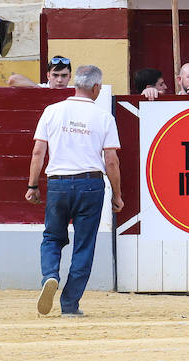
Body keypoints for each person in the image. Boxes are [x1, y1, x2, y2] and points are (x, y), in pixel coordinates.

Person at [26, 65, 122, 317]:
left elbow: (38, 152)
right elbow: (111, 160)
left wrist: (32, 185)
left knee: (52, 238)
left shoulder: (52, 111)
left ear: (74, 84)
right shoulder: (103, 117)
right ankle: (70, 305)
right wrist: (117, 194)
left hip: (58, 182)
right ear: (96, 88)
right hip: (90, 184)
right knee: (84, 244)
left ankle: (50, 275)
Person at [8, 55, 73, 88]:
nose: (59, 80)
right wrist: (41, 91)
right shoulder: (42, 88)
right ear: (48, 76)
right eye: (55, 75)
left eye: (64, 75)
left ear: (70, 76)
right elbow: (13, 80)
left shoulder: (76, 91)